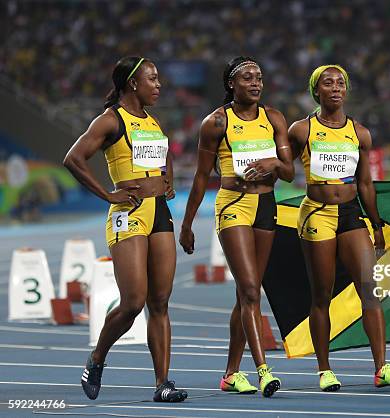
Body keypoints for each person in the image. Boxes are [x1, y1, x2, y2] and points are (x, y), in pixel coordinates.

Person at [63, 56, 188, 402]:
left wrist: (169, 182)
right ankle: (98, 356)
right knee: (134, 302)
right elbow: (73, 158)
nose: (159, 85)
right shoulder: (110, 121)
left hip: (159, 212)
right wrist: (107, 194)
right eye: (153, 79)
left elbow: (164, 154)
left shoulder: (151, 120)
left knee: (160, 302)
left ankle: (162, 383)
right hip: (128, 213)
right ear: (133, 83)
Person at [179, 57, 294, 397]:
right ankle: (263, 371)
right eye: (247, 77)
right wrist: (186, 224)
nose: (256, 82)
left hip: (266, 205)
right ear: (231, 83)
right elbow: (201, 176)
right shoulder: (216, 122)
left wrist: (274, 161)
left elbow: (288, 172)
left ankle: (230, 373)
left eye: (259, 77)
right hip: (234, 205)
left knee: (247, 293)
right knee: (249, 290)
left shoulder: (274, 118)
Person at [287, 65, 390, 392]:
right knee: (322, 294)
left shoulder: (360, 133)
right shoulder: (301, 130)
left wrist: (376, 223)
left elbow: (366, 182)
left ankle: (382, 366)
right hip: (318, 214)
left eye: (340, 83)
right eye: (328, 83)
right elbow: (285, 168)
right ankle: (324, 369)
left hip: (352, 214)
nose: (336, 88)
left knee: (370, 289)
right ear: (317, 92)